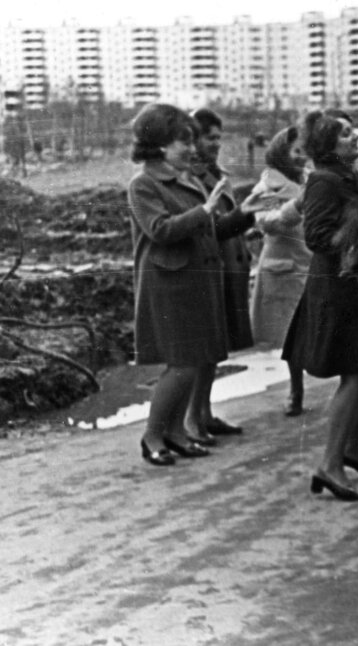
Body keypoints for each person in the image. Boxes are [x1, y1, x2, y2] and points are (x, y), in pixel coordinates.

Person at [281, 109, 358, 501]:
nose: (355, 137)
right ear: (328, 146)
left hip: (356, 287)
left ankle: (349, 448)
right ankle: (329, 464)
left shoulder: (346, 176)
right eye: (345, 135)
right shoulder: (325, 181)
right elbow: (317, 238)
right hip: (339, 292)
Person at [127, 104, 229, 465]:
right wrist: (204, 211)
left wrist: (247, 215)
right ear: (157, 145)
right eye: (181, 141)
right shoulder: (143, 184)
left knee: (194, 360)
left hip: (193, 283)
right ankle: (152, 436)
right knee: (182, 364)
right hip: (168, 285)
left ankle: (175, 433)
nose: (190, 148)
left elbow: (208, 229)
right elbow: (161, 230)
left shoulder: (185, 180)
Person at [186, 108, 256, 441]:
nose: (216, 144)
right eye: (209, 138)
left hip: (227, 265)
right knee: (204, 347)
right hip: (212, 267)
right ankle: (193, 418)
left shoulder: (214, 174)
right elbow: (207, 228)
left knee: (216, 346)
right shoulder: (193, 180)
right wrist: (245, 214)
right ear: (192, 139)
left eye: (218, 137)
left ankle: (205, 413)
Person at [243, 126, 312, 416]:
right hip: (286, 267)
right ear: (281, 153)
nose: (301, 157)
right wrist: (296, 205)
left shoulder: (311, 178)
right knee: (291, 335)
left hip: (312, 262)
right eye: (296, 151)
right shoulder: (267, 186)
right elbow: (266, 222)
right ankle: (296, 391)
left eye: (304, 151)